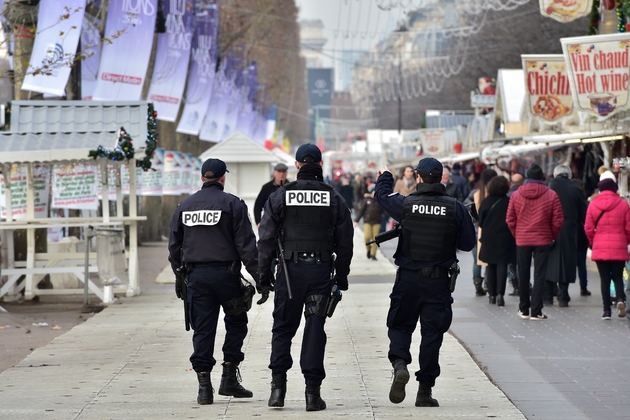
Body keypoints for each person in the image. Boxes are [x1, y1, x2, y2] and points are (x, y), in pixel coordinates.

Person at [257, 143, 354, 411]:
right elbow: (346, 242)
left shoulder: (279, 196)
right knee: (314, 329)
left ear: (297, 166)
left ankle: (278, 390)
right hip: (320, 271)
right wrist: (341, 276)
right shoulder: (333, 196)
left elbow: (265, 239)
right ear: (320, 165)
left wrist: (263, 276)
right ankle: (313, 394)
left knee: (283, 329)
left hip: (289, 272)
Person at [374, 157, 475, 408]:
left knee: (399, 325)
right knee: (432, 335)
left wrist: (386, 174)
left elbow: (382, 196)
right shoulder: (456, 208)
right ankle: (424, 391)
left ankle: (399, 365)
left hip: (408, 279)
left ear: (417, 177)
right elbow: (467, 244)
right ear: (441, 177)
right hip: (438, 282)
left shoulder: (406, 204)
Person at [168, 158, 259, 405]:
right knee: (237, 322)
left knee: (203, 329)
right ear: (223, 178)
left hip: (196, 278)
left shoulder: (184, 206)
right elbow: (246, 247)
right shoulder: (233, 204)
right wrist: (260, 278)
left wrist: (180, 274)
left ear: (201, 178)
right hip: (226, 277)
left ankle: (204, 388)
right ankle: (229, 376)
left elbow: (174, 246)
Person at [506, 163, 563, 321]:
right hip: (543, 240)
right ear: (542, 178)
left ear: (527, 177)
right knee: (540, 275)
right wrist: (551, 235)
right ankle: (536, 311)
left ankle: (523, 308)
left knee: (523, 274)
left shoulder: (516, 195)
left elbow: (510, 219)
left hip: (522, 239)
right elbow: (558, 219)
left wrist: (517, 234)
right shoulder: (551, 195)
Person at [584, 177, 630, 320]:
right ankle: (621, 300)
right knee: (618, 276)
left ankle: (606, 311)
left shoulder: (593, 204)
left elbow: (588, 228)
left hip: (600, 246)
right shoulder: (623, 204)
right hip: (619, 245)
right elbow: (628, 228)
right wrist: (625, 241)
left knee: (604, 279)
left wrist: (593, 242)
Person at [544, 165, 587, 307]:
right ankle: (563, 295)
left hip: (547, 228)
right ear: (569, 176)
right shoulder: (576, 189)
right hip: (569, 228)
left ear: (555, 174)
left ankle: (548, 295)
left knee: (547, 260)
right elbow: (583, 212)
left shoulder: (547, 187)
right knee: (567, 261)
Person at [478, 176, 516, 306]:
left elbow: (480, 220)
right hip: (505, 237)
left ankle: (492, 295)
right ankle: (500, 294)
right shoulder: (509, 201)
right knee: (502, 265)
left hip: (489, 237)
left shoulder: (486, 202)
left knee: (491, 265)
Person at [465, 168, 497, 296]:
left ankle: (477, 285)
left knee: (476, 260)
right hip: (490, 232)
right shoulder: (495, 194)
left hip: (475, 232)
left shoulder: (475, 193)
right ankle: (488, 284)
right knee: (489, 259)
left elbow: (467, 210)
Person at [354, 184, 384, 260]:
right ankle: (368, 249)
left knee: (375, 238)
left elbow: (385, 211)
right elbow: (361, 211)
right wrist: (356, 221)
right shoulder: (367, 200)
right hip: (367, 221)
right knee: (367, 237)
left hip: (377, 221)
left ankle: (373, 254)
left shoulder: (380, 201)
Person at [572, 179, 591, 296]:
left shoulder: (568, 200)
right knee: (581, 263)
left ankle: (563, 286)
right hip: (581, 235)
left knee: (568, 262)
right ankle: (583, 286)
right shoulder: (584, 202)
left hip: (570, 235)